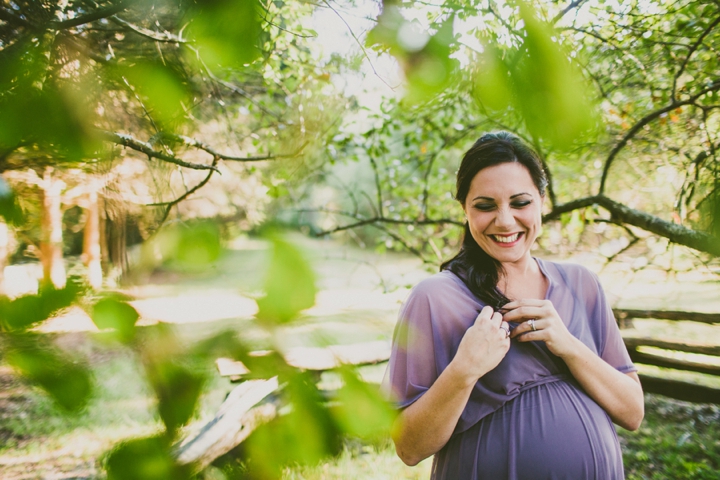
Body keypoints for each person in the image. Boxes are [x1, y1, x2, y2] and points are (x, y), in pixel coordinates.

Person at [384, 131, 644, 479]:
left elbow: (633, 413)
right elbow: (409, 448)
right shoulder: (434, 298)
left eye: (520, 202)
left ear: (541, 200)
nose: (505, 220)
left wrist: (569, 347)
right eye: (485, 206)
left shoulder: (582, 284)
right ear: (464, 209)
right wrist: (464, 370)